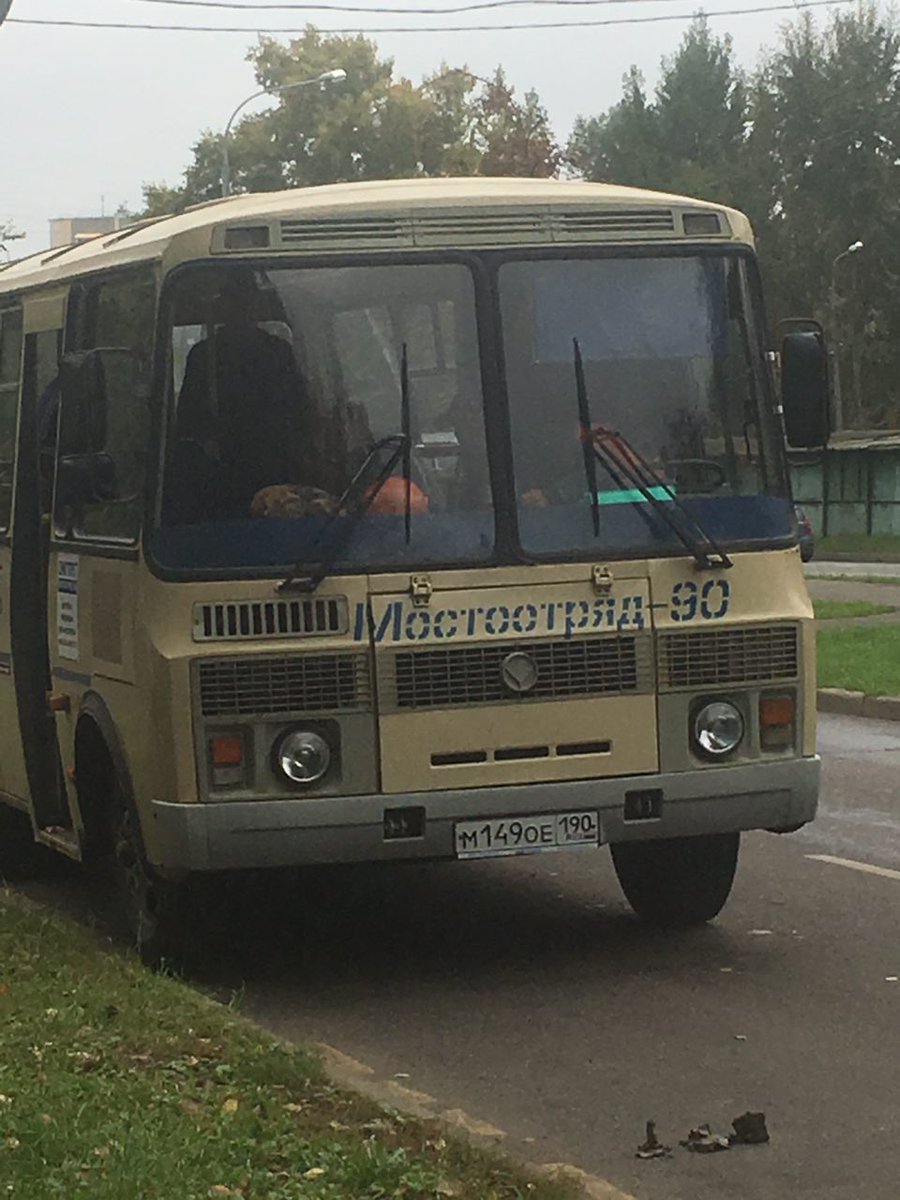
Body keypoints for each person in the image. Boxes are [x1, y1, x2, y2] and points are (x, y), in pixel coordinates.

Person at [172, 270, 309, 520]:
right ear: (223, 308)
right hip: (224, 470)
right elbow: (189, 426)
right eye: (235, 302)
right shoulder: (205, 357)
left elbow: (302, 412)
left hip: (278, 468)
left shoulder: (279, 352)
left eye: (246, 302)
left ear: (256, 306)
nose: (242, 310)